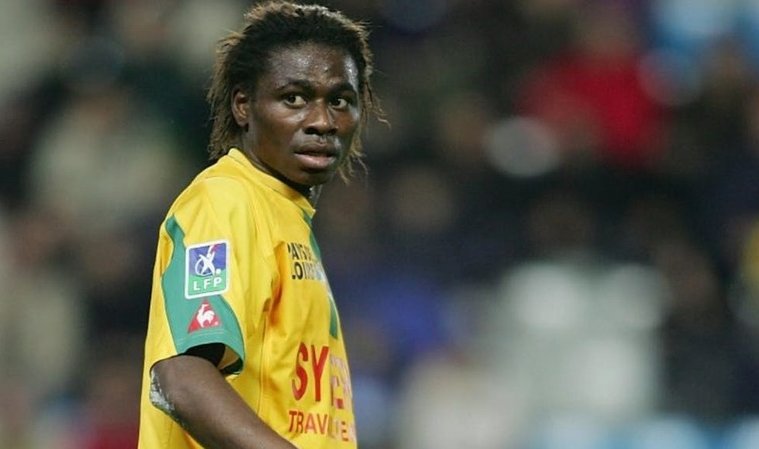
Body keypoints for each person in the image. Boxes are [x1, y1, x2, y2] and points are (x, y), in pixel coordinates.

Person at [137, 2, 383, 448]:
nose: (323, 122)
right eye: (294, 98)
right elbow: (183, 377)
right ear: (243, 106)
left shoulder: (285, 215)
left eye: (340, 101)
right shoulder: (225, 202)